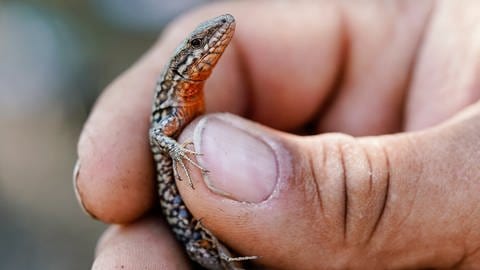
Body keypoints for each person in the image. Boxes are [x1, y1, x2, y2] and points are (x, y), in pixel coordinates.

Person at [74, 1, 480, 269]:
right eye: (200, 44)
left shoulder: (192, 98)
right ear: (183, 65)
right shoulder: (171, 106)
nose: (213, 41)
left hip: (207, 217)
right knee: (203, 251)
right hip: (191, 230)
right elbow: (161, 138)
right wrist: (178, 153)